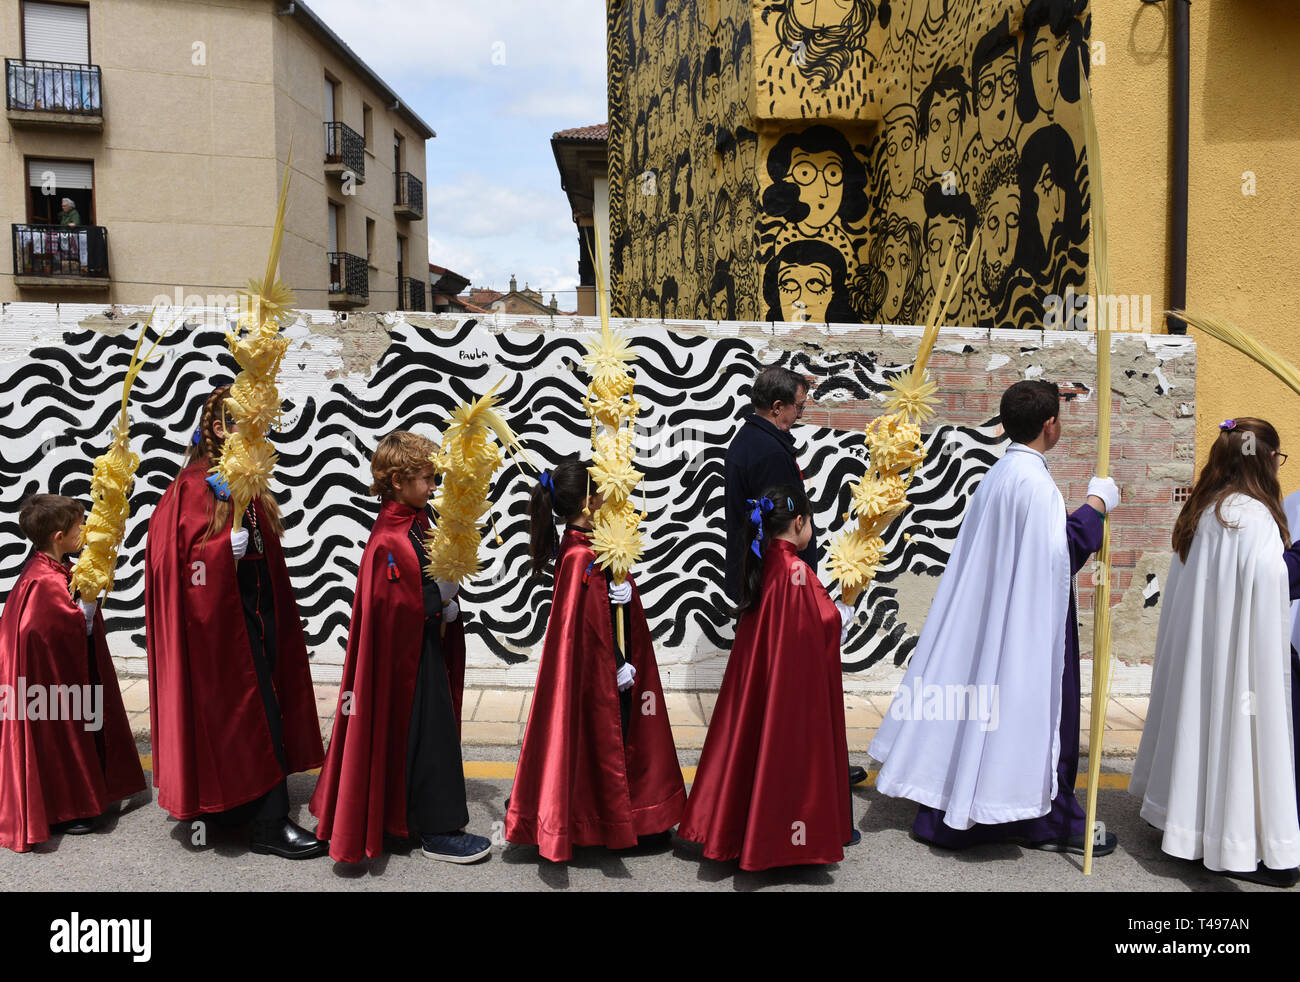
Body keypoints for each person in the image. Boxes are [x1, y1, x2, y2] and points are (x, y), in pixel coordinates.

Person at [870, 379, 1120, 856]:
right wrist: (1096, 507)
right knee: (1038, 714)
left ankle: (966, 809)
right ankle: (1040, 819)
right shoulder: (1035, 484)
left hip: (995, 614)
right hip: (1026, 619)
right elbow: (1059, 554)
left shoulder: (998, 474)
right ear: (1050, 425)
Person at [144, 384, 326, 859]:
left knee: (263, 713)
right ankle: (267, 823)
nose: (260, 437)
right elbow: (177, 566)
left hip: (257, 619)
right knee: (252, 714)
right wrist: (221, 552)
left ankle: (232, 807)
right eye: (250, 426)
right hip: (220, 631)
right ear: (222, 428)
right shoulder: (190, 488)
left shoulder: (246, 484)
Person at [1131, 418, 1300, 887]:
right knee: (1240, 735)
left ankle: (1187, 827)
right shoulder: (1253, 517)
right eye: (1277, 457)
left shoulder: (1203, 511)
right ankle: (1240, 843)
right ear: (1264, 460)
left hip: (1203, 657)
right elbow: (1271, 584)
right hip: (1238, 661)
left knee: (1199, 727)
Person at [309, 432, 488, 865]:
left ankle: (408, 819)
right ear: (396, 480)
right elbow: (393, 606)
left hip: (421, 649)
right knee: (428, 739)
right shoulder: (389, 537)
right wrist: (437, 600)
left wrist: (443, 601)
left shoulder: (416, 520)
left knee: (429, 737)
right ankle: (436, 830)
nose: (432, 487)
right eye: (427, 479)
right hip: (407, 660)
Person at [505, 459, 685, 862]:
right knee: (606, 741)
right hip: (604, 673)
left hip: (609, 668)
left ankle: (614, 819)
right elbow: (587, 628)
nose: (607, 497)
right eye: (600, 491)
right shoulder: (579, 556)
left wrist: (626, 592)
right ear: (589, 502)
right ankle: (601, 825)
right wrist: (615, 663)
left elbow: (597, 613)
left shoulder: (584, 546)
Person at [678, 486, 855, 870]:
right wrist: (850, 603)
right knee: (782, 754)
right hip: (787, 689)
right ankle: (779, 845)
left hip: (758, 679)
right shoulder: (797, 571)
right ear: (799, 522)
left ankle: (732, 831)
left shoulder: (767, 564)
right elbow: (825, 624)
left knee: (747, 744)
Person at [723, 365, 868, 787]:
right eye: (798, 407)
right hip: (779, 580)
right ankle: (806, 768)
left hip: (767, 576)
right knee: (795, 681)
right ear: (776, 406)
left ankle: (786, 763)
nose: (800, 415)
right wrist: (800, 575)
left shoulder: (755, 440)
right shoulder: (768, 451)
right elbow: (780, 518)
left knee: (775, 682)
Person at [0, 495, 145, 852]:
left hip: (50, 683)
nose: (85, 531)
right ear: (59, 536)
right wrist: (88, 607)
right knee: (59, 733)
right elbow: (60, 627)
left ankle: (78, 796)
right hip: (47, 688)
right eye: (80, 526)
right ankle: (65, 807)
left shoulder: (49, 568)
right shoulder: (44, 581)